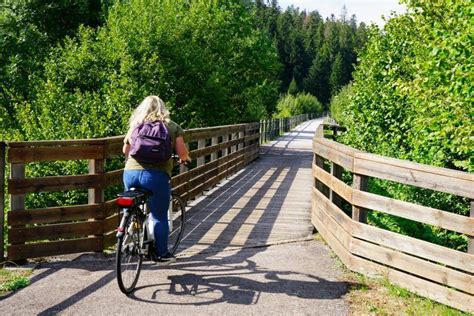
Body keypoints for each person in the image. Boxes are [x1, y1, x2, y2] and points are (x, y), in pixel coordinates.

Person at [122, 95, 190, 263]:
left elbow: (125, 150)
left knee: (130, 205)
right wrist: (186, 159)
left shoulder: (135, 126)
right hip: (156, 177)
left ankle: (129, 225)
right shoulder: (172, 127)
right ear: (163, 108)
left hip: (130, 173)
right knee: (159, 215)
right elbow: (182, 154)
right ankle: (161, 254)